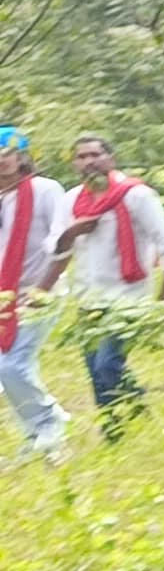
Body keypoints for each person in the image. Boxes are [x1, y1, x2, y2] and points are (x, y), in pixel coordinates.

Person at [56, 130, 164, 428]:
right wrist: (73, 231)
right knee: (95, 371)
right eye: (81, 157)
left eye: (95, 154)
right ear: (74, 164)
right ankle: (113, 427)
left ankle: (140, 412)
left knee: (108, 363)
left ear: (110, 159)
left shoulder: (136, 195)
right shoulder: (71, 200)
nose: (89, 161)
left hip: (129, 298)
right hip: (88, 299)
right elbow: (58, 247)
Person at [0, 130, 73, 453]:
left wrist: (43, 288)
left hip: (40, 292)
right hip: (3, 295)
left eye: (7, 152)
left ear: (22, 157)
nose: (2, 159)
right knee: (7, 370)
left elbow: (64, 241)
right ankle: (35, 436)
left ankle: (49, 422)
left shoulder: (45, 190)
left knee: (12, 365)